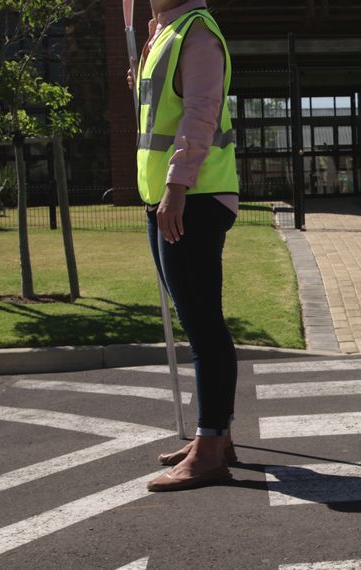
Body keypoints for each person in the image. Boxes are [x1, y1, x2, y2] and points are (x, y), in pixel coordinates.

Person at [132, 0, 240, 492]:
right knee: (199, 323)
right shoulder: (163, 34)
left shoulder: (195, 34)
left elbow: (201, 113)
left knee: (203, 328)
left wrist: (175, 186)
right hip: (171, 198)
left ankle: (210, 447)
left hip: (191, 197)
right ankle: (216, 436)